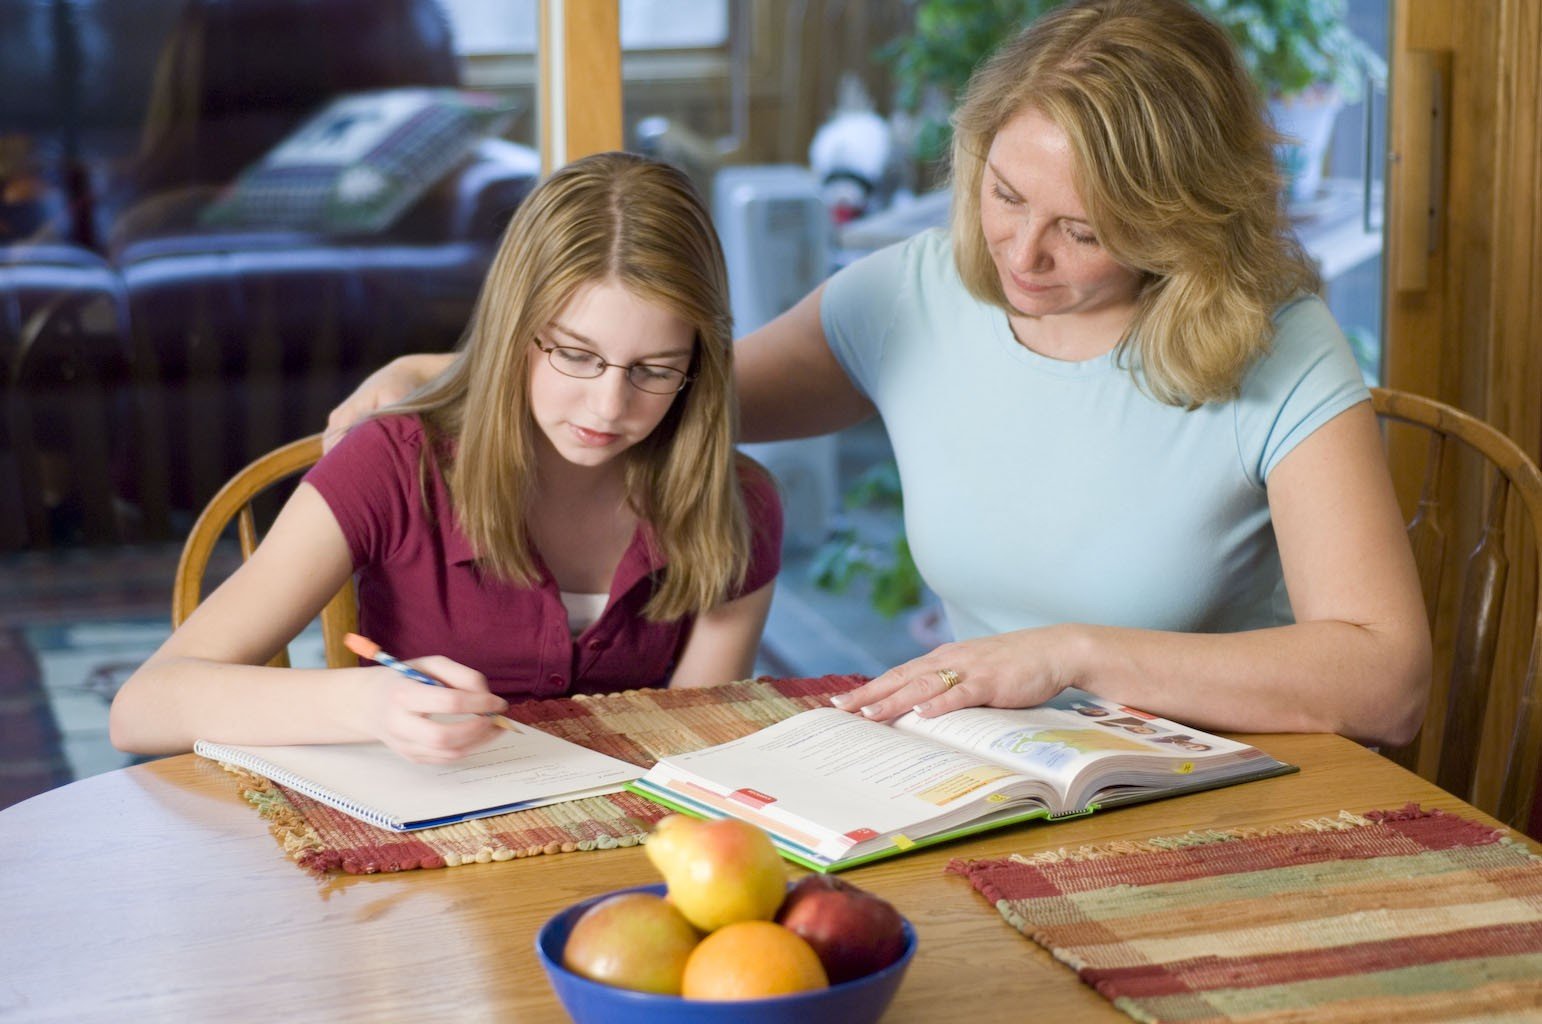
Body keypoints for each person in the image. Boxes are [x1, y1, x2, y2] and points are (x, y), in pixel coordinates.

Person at [320, 0, 1430, 747]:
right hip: (996, 769)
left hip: (1229, 783)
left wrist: (1072, 653)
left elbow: (1387, 677)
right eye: (1004, 194)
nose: (1022, 256)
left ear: (1181, 221)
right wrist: (469, 370)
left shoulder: (1276, 343)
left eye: (1084, 231)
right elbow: (672, 393)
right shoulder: (911, 296)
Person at [110, 152, 782, 762]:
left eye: (656, 369)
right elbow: (144, 708)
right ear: (513, 331)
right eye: (576, 356)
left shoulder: (736, 505)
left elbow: (697, 745)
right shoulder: (393, 466)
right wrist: (369, 704)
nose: (609, 406)